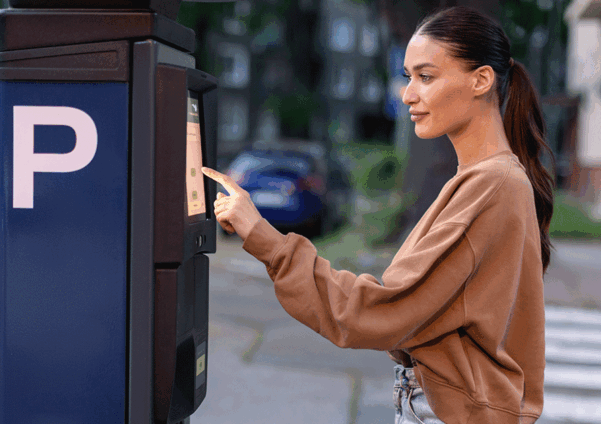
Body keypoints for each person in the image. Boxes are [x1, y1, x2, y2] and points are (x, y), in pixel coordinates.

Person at [202, 5, 554, 424]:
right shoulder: (488, 179)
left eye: (426, 77)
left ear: (480, 80)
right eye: (408, 77)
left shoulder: (492, 186)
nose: (408, 94)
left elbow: (376, 313)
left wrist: (264, 238)